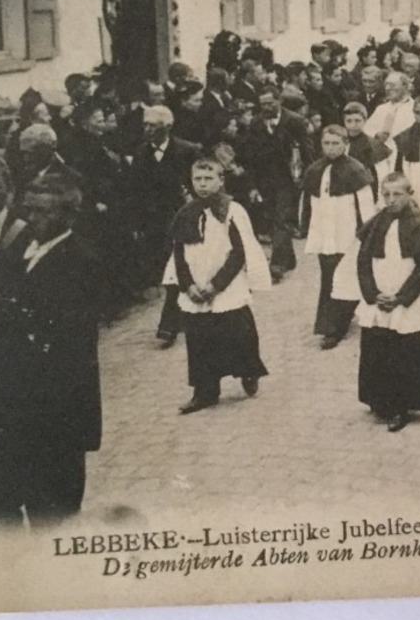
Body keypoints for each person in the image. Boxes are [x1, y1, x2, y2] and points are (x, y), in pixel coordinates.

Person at [0, 174, 103, 524]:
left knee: (52, 511)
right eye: (29, 210)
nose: (32, 219)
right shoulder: (23, 245)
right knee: (0, 503)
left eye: (43, 212)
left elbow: (54, 334)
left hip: (55, 412)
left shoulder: (80, 261)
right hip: (15, 405)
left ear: (69, 216)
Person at [163, 157, 271, 414]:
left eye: (208, 179)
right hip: (196, 282)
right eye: (197, 179)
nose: (202, 184)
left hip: (226, 284)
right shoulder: (185, 213)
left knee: (238, 330)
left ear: (221, 180)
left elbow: (238, 253)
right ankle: (204, 390)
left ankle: (248, 371)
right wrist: (188, 285)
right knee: (199, 336)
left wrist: (216, 285)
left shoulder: (232, 211)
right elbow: (178, 253)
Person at [350, 172, 420, 432]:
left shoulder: (418, 224)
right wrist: (373, 294)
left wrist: (402, 297)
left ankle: (401, 406)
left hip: (407, 299)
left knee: (405, 352)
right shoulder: (375, 224)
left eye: (397, 194)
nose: (391, 200)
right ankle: (380, 400)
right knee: (378, 348)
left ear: (409, 195)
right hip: (379, 296)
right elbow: (362, 262)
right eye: (386, 194)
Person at [125, 104, 199, 347]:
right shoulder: (141, 154)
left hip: (181, 219)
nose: (146, 129)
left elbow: (201, 185)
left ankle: (168, 325)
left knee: (176, 269)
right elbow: (134, 191)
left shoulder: (187, 151)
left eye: (152, 125)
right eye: (145, 124)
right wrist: (136, 222)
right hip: (154, 224)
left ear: (167, 127)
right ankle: (187, 315)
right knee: (172, 271)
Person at [300, 125, 378, 350]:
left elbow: (365, 208)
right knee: (329, 277)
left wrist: (366, 235)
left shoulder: (355, 170)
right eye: (327, 143)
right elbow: (310, 203)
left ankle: (337, 327)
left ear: (345, 144)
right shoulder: (315, 170)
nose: (331, 148)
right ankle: (330, 324)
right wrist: (307, 228)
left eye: (336, 143)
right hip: (324, 234)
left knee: (345, 276)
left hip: (347, 233)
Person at [236, 85, 311, 283]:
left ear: (279, 101)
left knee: (282, 219)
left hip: (289, 179)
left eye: (270, 103)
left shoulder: (295, 121)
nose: (266, 107)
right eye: (263, 104)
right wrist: (252, 186)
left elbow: (307, 152)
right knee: (272, 220)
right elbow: (249, 158)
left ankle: (276, 265)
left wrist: (306, 179)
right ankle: (288, 259)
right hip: (265, 180)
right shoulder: (255, 124)